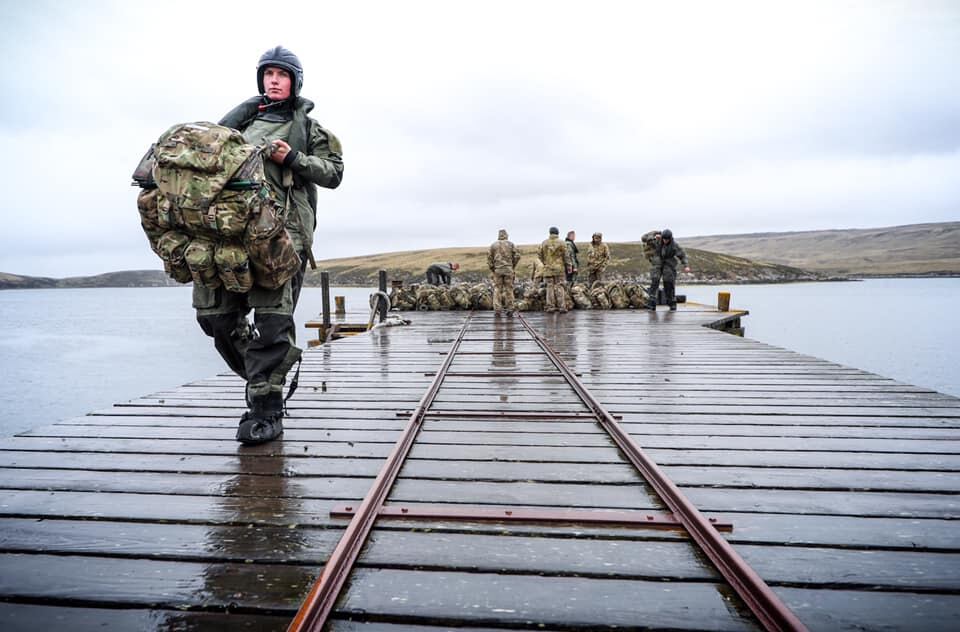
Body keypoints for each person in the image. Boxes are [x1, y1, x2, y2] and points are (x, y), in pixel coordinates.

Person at [195, 45, 344, 445]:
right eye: (267, 74)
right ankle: (267, 376)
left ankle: (265, 409)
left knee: (272, 325)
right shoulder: (235, 128)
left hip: (283, 238)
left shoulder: (310, 129)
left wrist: (294, 157)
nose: (273, 80)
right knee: (217, 319)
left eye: (281, 74)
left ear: (295, 81)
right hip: (230, 239)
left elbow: (334, 173)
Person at [641, 228, 690, 311]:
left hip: (669, 263)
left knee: (669, 282)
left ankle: (671, 302)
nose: (665, 241)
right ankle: (652, 303)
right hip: (657, 262)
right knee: (655, 280)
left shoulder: (674, 245)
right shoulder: (656, 240)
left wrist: (686, 265)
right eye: (664, 239)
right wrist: (654, 234)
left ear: (670, 239)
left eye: (667, 239)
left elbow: (682, 255)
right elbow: (643, 238)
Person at [487, 229, 521, 316]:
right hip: (508, 270)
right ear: (506, 235)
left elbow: (489, 258)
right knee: (509, 289)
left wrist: (493, 269)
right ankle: (510, 308)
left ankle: (497, 310)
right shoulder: (511, 244)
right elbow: (517, 256)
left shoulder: (493, 245)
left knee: (497, 289)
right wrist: (512, 266)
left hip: (497, 270)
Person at [538, 226, 572, 313]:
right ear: (558, 233)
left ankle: (550, 307)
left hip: (548, 269)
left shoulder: (544, 243)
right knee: (559, 286)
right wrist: (569, 266)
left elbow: (540, 255)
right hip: (559, 269)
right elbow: (566, 256)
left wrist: (545, 262)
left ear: (550, 233)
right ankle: (561, 307)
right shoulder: (562, 243)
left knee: (549, 287)